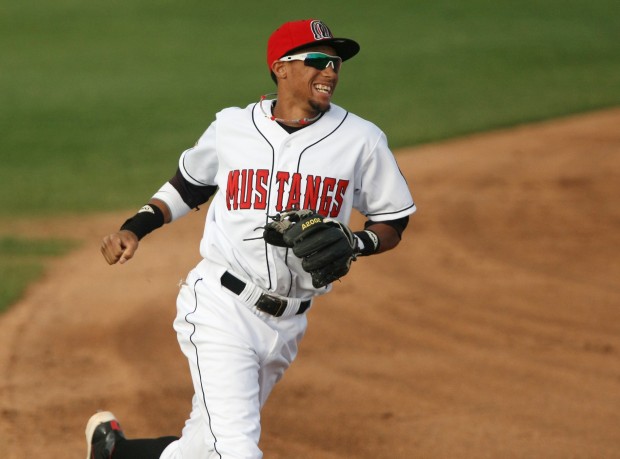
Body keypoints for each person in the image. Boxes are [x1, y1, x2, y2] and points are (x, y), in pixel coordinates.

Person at [86, 18, 416, 459]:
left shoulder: (361, 140)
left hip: (288, 324)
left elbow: (393, 218)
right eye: (317, 61)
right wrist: (135, 226)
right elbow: (189, 184)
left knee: (204, 449)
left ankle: (113, 454)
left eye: (336, 63)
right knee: (237, 451)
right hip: (221, 306)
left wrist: (358, 243)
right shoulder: (233, 127)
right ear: (281, 67)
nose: (331, 72)